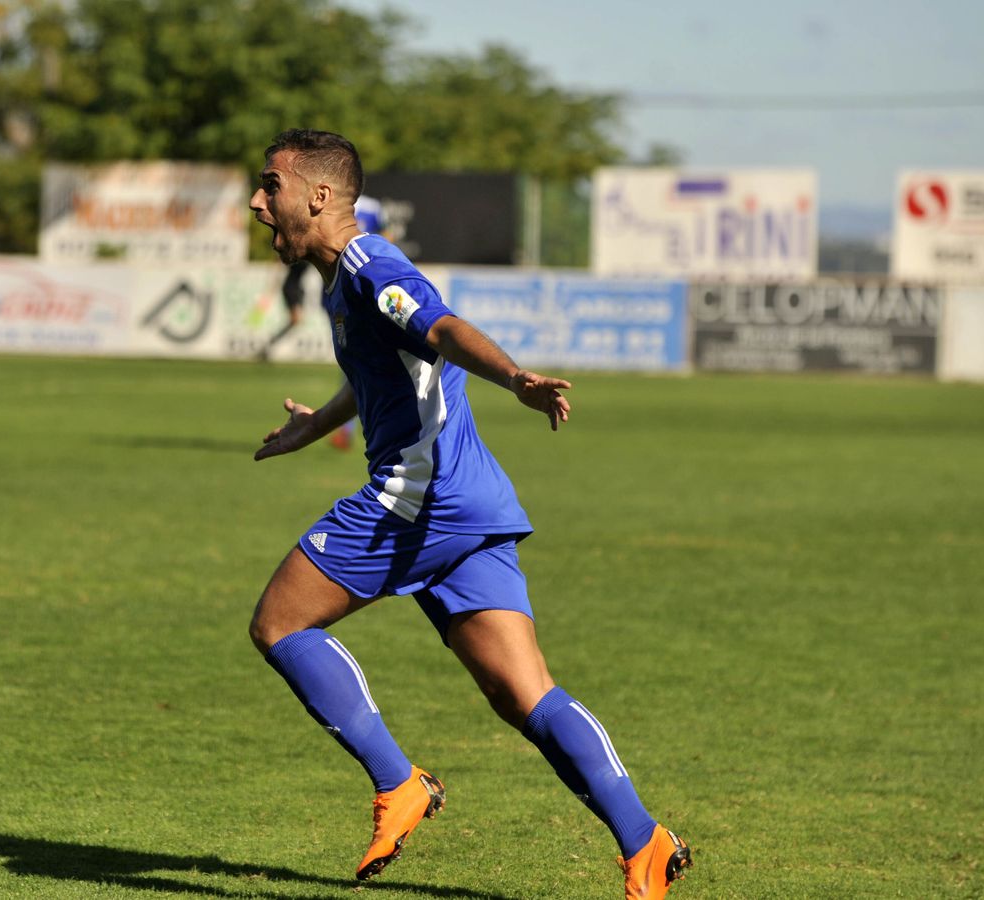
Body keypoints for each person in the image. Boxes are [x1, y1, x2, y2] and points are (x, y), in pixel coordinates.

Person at [247, 129, 691, 899]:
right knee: (525, 694)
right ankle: (646, 841)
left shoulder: (370, 265)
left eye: (270, 185)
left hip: (418, 501)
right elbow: (383, 370)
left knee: (281, 625)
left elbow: (441, 328)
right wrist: (317, 425)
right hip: (469, 503)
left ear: (317, 196)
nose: (258, 202)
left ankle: (400, 782)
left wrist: (515, 378)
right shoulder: (342, 280)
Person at [259, 193, 385, 366]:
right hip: (293, 286)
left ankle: (272, 345)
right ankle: (271, 345)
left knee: (304, 318)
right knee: (302, 318)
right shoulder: (296, 250)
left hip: (302, 286)